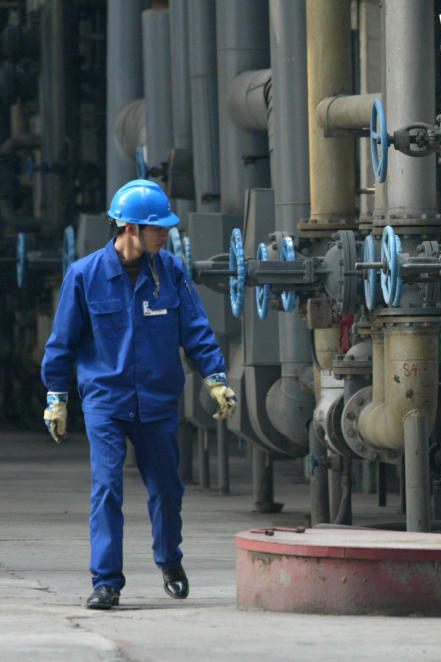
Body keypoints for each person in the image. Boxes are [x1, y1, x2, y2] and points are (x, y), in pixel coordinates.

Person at [41, 179, 237, 610]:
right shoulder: (85, 276)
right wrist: (57, 397)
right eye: (157, 227)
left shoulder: (171, 272)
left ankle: (169, 560)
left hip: (158, 401)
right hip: (106, 402)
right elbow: (62, 342)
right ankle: (107, 581)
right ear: (129, 228)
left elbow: (196, 329)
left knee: (167, 486)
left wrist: (215, 376)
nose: (165, 233)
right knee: (107, 487)